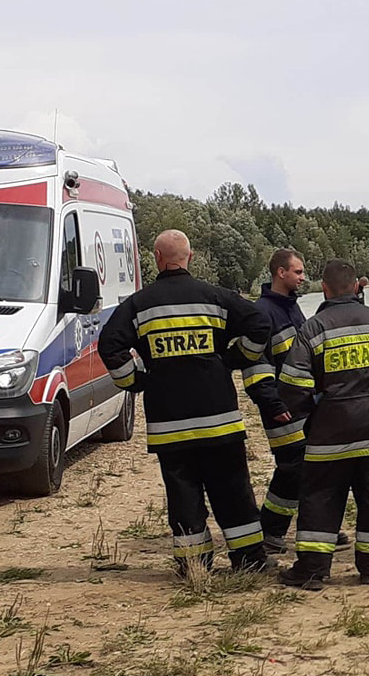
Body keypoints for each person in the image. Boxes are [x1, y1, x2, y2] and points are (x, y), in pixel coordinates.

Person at [100, 230, 285, 573]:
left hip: (169, 424)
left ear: (157, 256)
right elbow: (260, 323)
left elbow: (109, 345)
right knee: (233, 491)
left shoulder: (139, 305)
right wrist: (234, 358)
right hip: (219, 418)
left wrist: (136, 382)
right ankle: (250, 561)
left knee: (183, 496)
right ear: (192, 256)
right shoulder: (214, 297)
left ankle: (193, 566)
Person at [276, 259, 369, 589]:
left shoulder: (314, 328)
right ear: (357, 288)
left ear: (325, 289)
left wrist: (310, 407)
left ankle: (313, 571)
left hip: (329, 434)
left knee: (320, 499)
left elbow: (291, 382)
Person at [247, 247, 308, 553]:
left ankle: (315, 527)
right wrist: (272, 404)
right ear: (280, 273)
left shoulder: (293, 308)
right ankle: (270, 530)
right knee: (292, 467)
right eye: (298, 272)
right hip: (282, 407)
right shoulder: (262, 312)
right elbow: (255, 365)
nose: (302, 277)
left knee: (312, 465)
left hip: (305, 403)